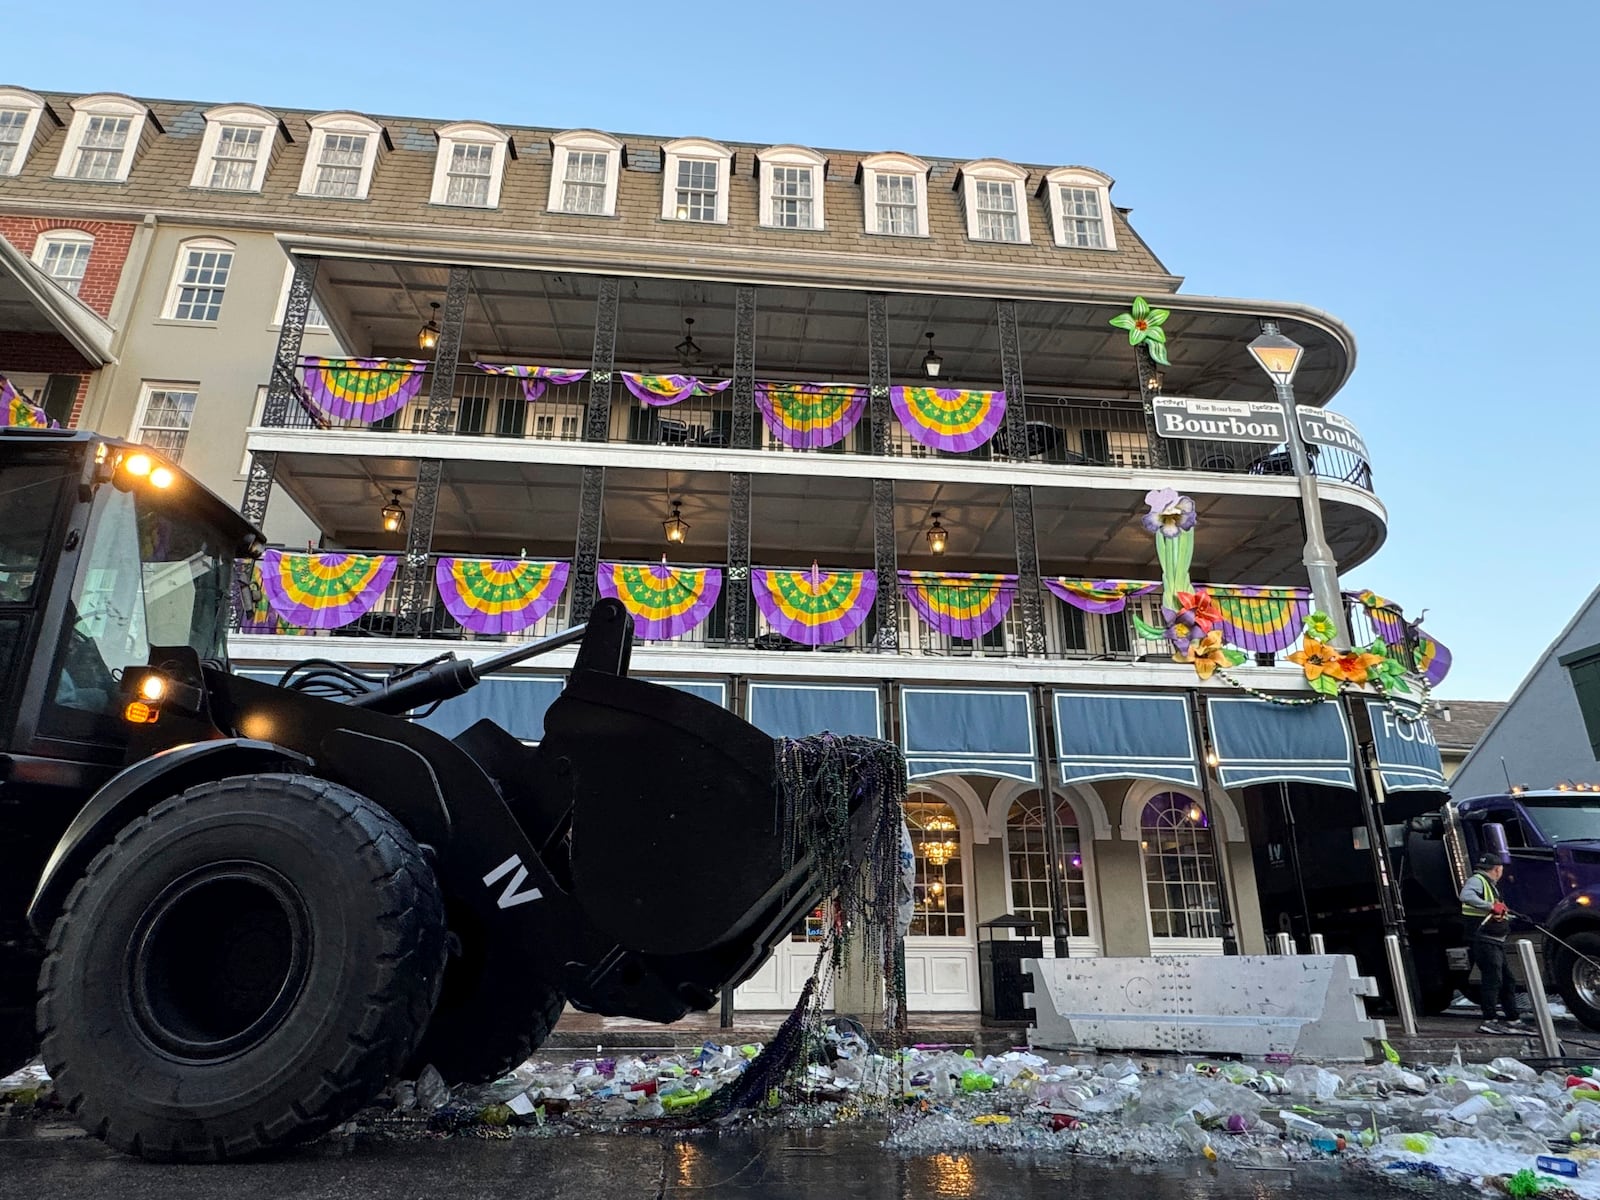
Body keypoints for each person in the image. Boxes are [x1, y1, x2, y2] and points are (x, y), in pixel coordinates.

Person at [1460, 853, 1527, 1034]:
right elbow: (1465, 896)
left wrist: (1513, 917)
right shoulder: (1478, 880)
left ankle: (1513, 1018)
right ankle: (1489, 1020)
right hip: (1484, 939)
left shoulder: (1490, 886)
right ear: (1498, 869)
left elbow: (1495, 911)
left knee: (1507, 980)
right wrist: (1491, 906)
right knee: (1493, 978)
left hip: (1494, 940)